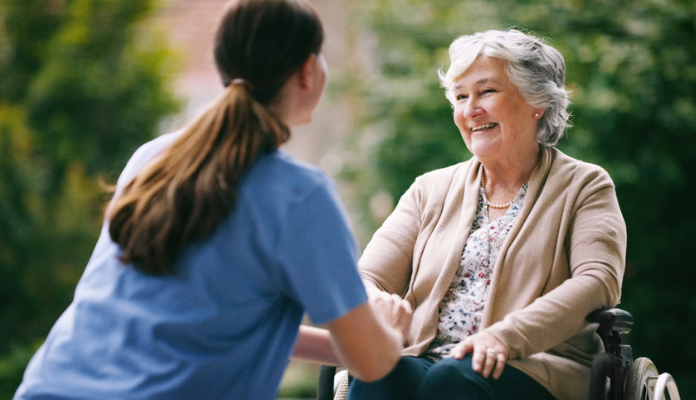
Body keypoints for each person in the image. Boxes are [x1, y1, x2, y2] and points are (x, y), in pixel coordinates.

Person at [13, 0, 411, 399]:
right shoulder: (301, 197)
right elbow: (372, 363)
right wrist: (390, 333)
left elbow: (210, 323)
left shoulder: (153, 158)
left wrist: (341, 345)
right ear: (308, 71)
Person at [347, 29, 626, 400]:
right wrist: (377, 302)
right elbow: (368, 277)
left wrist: (505, 337)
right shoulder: (429, 189)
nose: (470, 110)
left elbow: (598, 281)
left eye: (487, 92)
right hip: (427, 359)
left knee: (452, 381)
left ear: (536, 101)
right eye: (461, 97)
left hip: (534, 365)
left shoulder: (584, 185)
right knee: (378, 374)